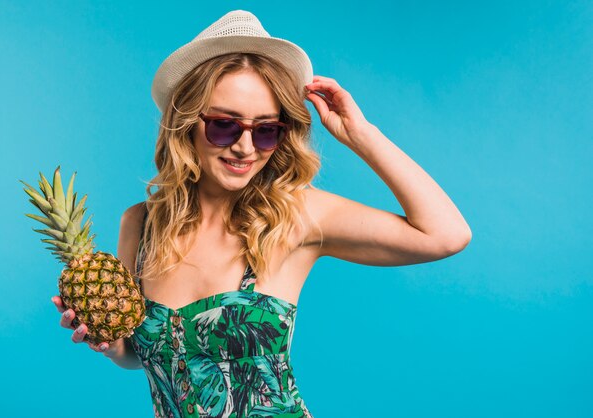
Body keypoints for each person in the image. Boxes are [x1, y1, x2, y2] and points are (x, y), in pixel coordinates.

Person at [52, 9, 471, 417]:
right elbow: (138, 356)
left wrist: (361, 135)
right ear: (186, 123)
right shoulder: (140, 224)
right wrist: (107, 340)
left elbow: (445, 235)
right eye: (224, 125)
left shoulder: (296, 215)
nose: (245, 148)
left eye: (266, 129)